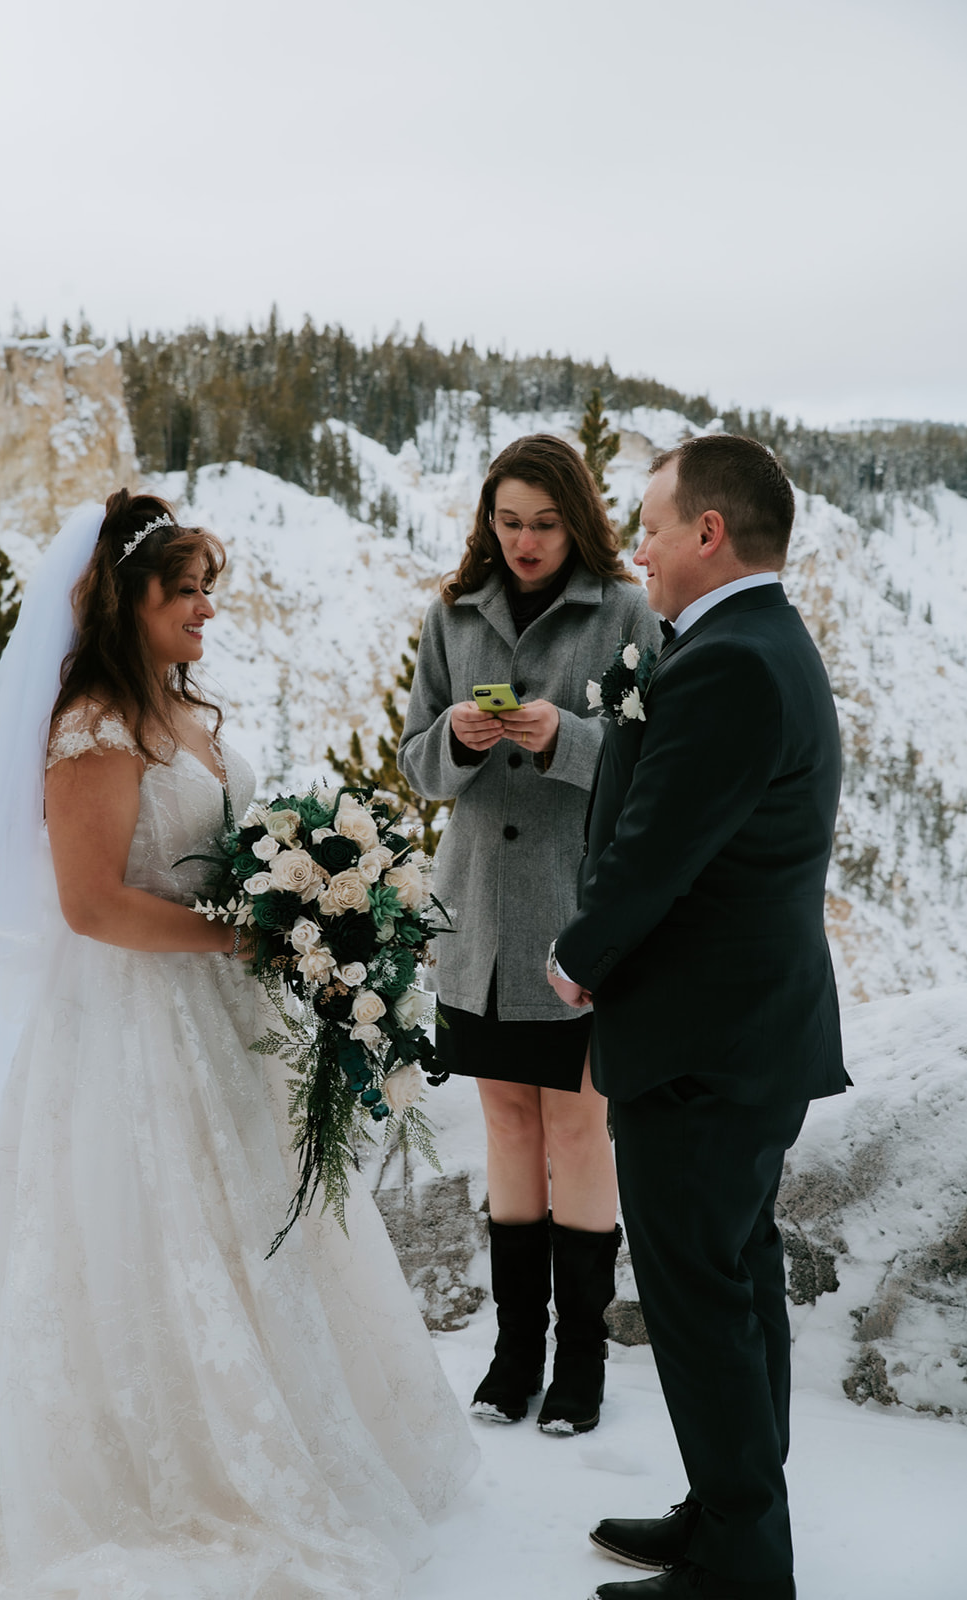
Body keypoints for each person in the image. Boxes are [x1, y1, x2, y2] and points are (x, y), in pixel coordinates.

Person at [0, 489, 477, 1600]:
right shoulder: (93, 729)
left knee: (262, 1238)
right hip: (129, 1029)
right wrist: (243, 935)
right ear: (132, 600)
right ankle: (157, 1466)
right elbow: (92, 906)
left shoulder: (184, 709)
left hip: (225, 1020)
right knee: (146, 1244)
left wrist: (313, 903)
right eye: (189, 589)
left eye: (211, 587)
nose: (209, 607)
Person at [547, 435, 847, 1599]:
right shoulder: (763, 641)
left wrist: (577, 960)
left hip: (701, 1046)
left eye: (655, 526)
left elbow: (658, 846)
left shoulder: (730, 660)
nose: (643, 548)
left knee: (701, 1298)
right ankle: (729, 1508)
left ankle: (738, 1561)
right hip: (744, 1035)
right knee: (733, 1279)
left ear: (709, 533)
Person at [399, 433, 661, 1435]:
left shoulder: (627, 612)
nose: (524, 540)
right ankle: (516, 1358)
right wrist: (454, 740)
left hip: (574, 915)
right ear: (487, 520)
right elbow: (416, 765)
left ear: (577, 521)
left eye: (544, 522)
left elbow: (658, 760)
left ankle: (583, 1366)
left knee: (576, 1129)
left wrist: (570, 738)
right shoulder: (450, 614)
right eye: (508, 521)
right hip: (477, 916)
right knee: (506, 1122)